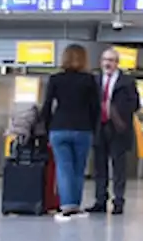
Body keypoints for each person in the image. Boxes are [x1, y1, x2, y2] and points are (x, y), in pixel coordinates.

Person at [42, 45, 101, 220]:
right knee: (78, 168)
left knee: (63, 167)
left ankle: (66, 206)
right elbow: (95, 108)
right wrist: (94, 129)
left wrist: (46, 129)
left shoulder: (55, 79)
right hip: (83, 129)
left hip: (59, 128)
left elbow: (47, 107)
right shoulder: (89, 80)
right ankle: (75, 205)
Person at [87, 48, 137, 215]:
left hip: (118, 128)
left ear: (117, 63)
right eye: (104, 60)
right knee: (99, 166)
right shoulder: (95, 81)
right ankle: (100, 200)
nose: (107, 63)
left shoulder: (127, 82)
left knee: (119, 166)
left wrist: (119, 112)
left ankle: (119, 201)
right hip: (100, 126)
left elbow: (135, 104)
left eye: (111, 60)